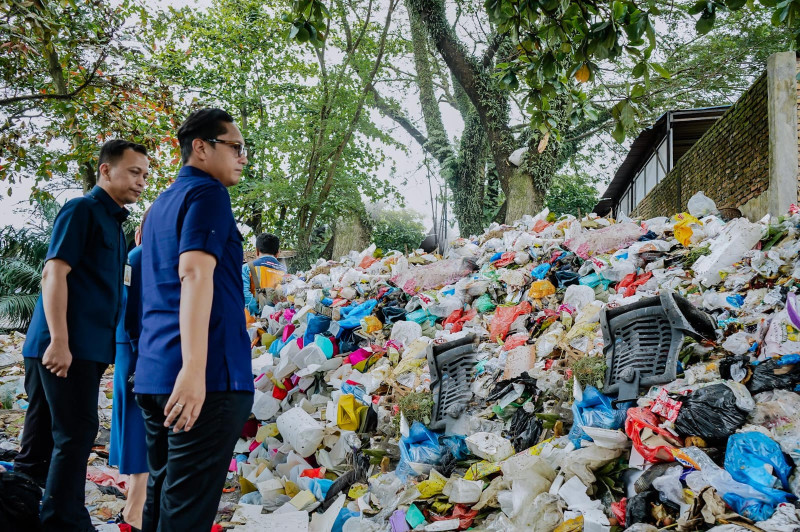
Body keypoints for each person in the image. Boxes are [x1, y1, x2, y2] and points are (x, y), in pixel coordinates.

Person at [14, 140, 149, 531]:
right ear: (106, 171)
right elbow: (54, 273)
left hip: (83, 349)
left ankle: (21, 509)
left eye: (144, 174)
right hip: (63, 347)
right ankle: (65, 521)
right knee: (76, 433)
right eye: (132, 172)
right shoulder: (82, 210)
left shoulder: (114, 223)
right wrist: (59, 340)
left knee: (41, 441)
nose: (140, 181)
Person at [135, 108, 254, 531]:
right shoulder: (208, 195)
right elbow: (194, 273)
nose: (243, 157)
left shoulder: (160, 205)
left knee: (163, 501)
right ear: (201, 148)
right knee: (185, 513)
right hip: (204, 381)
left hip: (154, 373)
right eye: (236, 147)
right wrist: (194, 369)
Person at [109, 215, 149, 532]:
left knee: (136, 430)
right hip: (135, 349)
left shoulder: (137, 257)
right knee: (136, 430)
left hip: (133, 349)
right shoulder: (143, 257)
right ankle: (133, 510)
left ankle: (133, 511)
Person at [242, 232, 286, 318]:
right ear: (277, 253)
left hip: (255, 321)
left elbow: (244, 294)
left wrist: (259, 313)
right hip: (279, 319)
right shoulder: (284, 271)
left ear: (257, 251)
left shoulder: (247, 268)